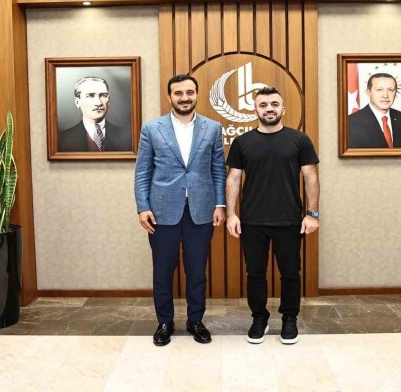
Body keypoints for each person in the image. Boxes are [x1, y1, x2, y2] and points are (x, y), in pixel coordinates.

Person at [134, 74, 227, 346]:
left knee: (197, 270)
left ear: (196, 94)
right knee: (163, 271)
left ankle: (195, 320)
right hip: (162, 211)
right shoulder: (152, 128)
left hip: (202, 210)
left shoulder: (212, 128)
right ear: (170, 97)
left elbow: (218, 170)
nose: (184, 98)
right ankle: (165, 322)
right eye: (178, 93)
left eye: (189, 92)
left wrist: (220, 204)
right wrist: (142, 207)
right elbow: (142, 171)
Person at [225, 86, 320, 345]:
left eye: (274, 104)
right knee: (255, 274)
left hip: (289, 221)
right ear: (255, 110)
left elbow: (310, 176)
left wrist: (312, 214)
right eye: (263, 105)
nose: (269, 109)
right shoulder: (242, 142)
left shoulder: (299, 139)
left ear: (283, 109)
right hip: (252, 221)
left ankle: (289, 319)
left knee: (290, 273)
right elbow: (233, 178)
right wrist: (232, 214)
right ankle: (259, 319)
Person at [58, 76, 132, 152]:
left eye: (103, 95)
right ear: (77, 102)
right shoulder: (62, 139)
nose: (99, 103)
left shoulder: (127, 137)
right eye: (90, 96)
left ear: (109, 101)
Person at [348, 73, 401, 148]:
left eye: (390, 90)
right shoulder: (351, 122)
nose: (385, 95)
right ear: (368, 92)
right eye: (379, 90)